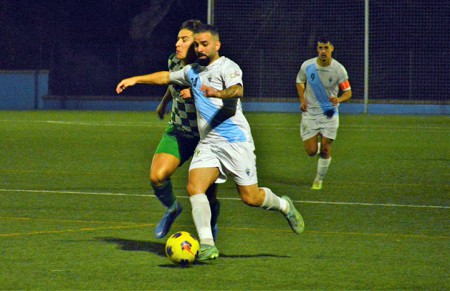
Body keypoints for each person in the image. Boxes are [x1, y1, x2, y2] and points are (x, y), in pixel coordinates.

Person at [116, 24, 305, 261]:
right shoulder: (192, 71)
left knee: (251, 197)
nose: (200, 48)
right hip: (208, 143)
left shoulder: (228, 67)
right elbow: (166, 77)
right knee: (194, 188)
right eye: (197, 44)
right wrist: (134, 79)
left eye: (204, 44)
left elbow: (237, 90)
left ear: (217, 45)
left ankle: (284, 206)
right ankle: (207, 245)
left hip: (235, 141)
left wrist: (218, 93)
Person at [146, 19, 220, 240]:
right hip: (179, 130)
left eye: (184, 40)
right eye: (178, 38)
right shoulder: (174, 61)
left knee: (207, 195)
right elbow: (172, 82)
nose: (177, 43)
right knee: (157, 176)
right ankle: (172, 209)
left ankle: (211, 229)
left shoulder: (210, 69)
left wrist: (198, 94)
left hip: (206, 138)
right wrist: (164, 103)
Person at [296, 37, 352, 190]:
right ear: (317, 49)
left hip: (329, 113)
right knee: (311, 151)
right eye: (320, 48)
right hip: (310, 113)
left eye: (326, 48)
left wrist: (338, 99)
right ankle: (318, 144)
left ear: (332, 49)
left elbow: (348, 92)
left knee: (326, 148)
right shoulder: (308, 66)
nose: (323, 51)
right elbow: (300, 82)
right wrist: (302, 100)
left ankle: (318, 180)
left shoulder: (339, 69)